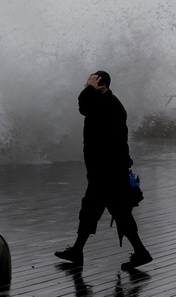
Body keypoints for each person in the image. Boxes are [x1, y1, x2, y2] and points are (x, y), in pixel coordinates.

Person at [54, 71, 152, 270]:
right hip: (106, 170)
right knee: (94, 210)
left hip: (107, 171)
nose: (87, 85)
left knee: (112, 212)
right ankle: (78, 251)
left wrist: (90, 88)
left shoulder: (108, 103)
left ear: (102, 84)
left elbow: (83, 106)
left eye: (91, 81)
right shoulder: (106, 103)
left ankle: (140, 252)